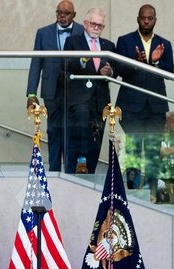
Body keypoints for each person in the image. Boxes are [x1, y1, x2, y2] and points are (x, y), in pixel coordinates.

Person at [115, 4, 174, 202]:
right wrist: (136, 62)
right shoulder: (125, 41)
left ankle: (152, 191)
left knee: (152, 148)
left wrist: (155, 62)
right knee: (134, 146)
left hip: (156, 106)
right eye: (143, 18)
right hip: (131, 105)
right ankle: (131, 189)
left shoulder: (164, 44)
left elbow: (169, 71)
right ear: (137, 18)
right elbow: (120, 69)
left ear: (155, 20)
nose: (146, 21)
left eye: (150, 18)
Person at [26, 0, 84, 172]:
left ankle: (71, 172)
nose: (62, 16)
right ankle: (54, 171)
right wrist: (31, 94)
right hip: (51, 90)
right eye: (59, 12)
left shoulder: (82, 31)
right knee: (53, 130)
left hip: (75, 91)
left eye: (66, 13)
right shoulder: (43, 33)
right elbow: (36, 63)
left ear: (74, 15)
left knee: (72, 131)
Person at [63, 7, 116, 174]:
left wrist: (111, 72)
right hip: (79, 97)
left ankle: (90, 170)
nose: (96, 28)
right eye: (94, 24)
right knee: (80, 130)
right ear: (85, 23)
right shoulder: (73, 41)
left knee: (97, 135)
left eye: (100, 26)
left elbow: (117, 68)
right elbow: (66, 65)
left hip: (100, 98)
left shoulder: (108, 45)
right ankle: (80, 161)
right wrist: (83, 58)